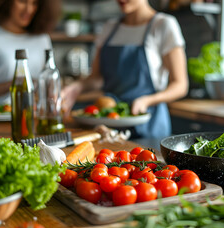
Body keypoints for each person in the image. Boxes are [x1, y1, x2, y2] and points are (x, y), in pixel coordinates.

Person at [62, 0, 188, 139]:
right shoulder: (110, 28)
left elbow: (180, 85)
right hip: (109, 125)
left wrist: (147, 101)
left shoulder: (163, 24)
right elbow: (97, 78)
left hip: (148, 125)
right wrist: (76, 88)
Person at [0, 0, 61, 107]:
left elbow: (47, 80)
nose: (29, 9)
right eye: (22, 1)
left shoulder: (42, 39)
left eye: (34, 3)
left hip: (33, 115)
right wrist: (14, 84)